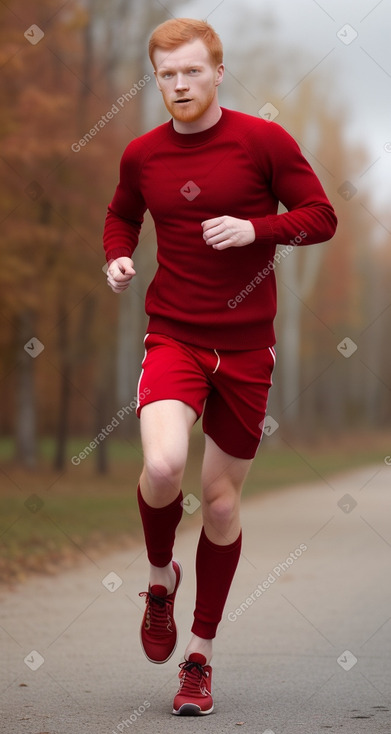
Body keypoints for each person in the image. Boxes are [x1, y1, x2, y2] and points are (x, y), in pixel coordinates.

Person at [103, 17, 337, 716]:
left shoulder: (262, 141)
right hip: (172, 334)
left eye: (191, 72)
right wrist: (117, 256)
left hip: (244, 346)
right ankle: (158, 581)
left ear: (217, 73)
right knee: (166, 467)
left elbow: (320, 215)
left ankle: (199, 656)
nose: (179, 85)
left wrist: (256, 229)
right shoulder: (142, 154)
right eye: (166, 75)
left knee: (223, 502)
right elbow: (122, 215)